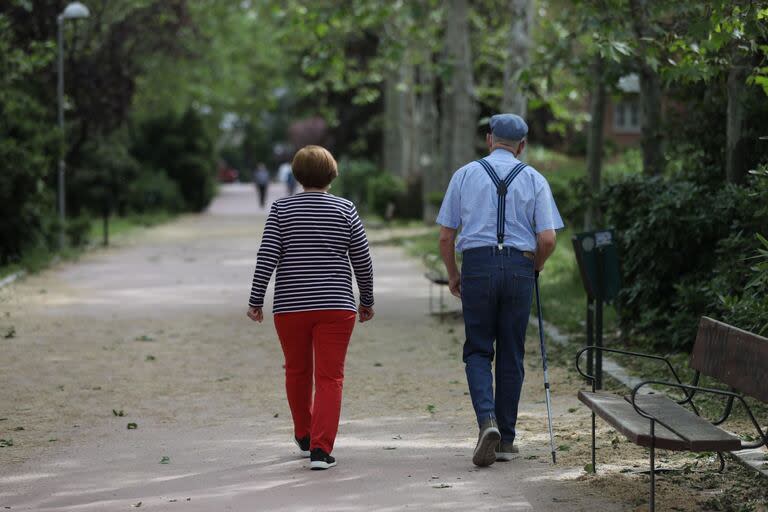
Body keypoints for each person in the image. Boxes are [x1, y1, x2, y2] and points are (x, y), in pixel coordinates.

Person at [436, 114, 563, 467]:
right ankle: (506, 438)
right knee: (512, 351)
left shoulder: (465, 174)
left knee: (478, 350)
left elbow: (446, 236)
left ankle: (486, 422)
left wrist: (453, 273)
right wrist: (534, 266)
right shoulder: (535, 179)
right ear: (522, 146)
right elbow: (548, 238)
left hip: (478, 266)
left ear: (489, 139)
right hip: (520, 267)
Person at [246, 145, 375, 470]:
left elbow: (267, 257)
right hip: (336, 306)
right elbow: (362, 259)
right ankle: (320, 449)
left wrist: (256, 299)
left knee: (297, 371)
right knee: (330, 377)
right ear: (332, 173)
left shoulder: (280, 210)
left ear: (298, 175)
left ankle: (304, 435)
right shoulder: (346, 209)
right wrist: (367, 299)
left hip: (291, 307)